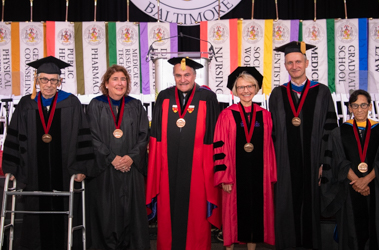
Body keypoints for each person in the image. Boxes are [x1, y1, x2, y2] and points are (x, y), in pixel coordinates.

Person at [2, 56, 94, 249]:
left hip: (65, 172)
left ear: (60, 81)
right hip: (34, 173)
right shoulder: (26, 105)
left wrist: (82, 167)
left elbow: (82, 137)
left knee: (65, 215)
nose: (49, 84)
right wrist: (12, 167)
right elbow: (14, 137)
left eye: (53, 80)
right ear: (37, 80)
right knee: (35, 218)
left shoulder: (72, 103)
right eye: (44, 79)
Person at [146, 57, 221, 250]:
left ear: (195, 75)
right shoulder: (164, 97)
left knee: (196, 214)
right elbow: (155, 138)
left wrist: (211, 170)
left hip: (197, 168)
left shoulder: (207, 98)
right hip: (167, 167)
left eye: (187, 75)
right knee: (168, 214)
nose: (182, 79)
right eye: (178, 75)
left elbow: (214, 137)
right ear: (173, 76)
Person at [269, 41, 338, 250]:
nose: (294, 66)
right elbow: (272, 133)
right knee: (285, 205)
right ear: (285, 66)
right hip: (285, 162)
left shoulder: (322, 92)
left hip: (312, 160)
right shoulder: (277, 94)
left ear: (306, 63)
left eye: (298, 61)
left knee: (310, 205)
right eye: (290, 62)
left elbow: (331, 130)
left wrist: (324, 163)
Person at [321, 90, 379, 250]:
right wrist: (357, 181)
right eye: (355, 106)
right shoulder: (339, 132)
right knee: (351, 233)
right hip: (348, 189)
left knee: (376, 231)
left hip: (376, 189)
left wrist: (365, 180)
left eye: (363, 105)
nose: (359, 109)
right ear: (349, 108)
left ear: (370, 106)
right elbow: (337, 160)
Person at [86, 65, 150, 250]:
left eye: (123, 79)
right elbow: (92, 136)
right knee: (106, 214)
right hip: (105, 170)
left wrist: (131, 157)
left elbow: (143, 135)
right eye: (115, 79)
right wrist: (111, 158)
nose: (119, 83)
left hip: (131, 170)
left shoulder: (135, 105)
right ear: (106, 83)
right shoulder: (96, 105)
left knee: (131, 213)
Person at [213, 67, 277, 250]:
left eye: (250, 86)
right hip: (234, 175)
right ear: (235, 90)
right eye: (241, 87)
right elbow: (219, 146)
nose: (246, 90)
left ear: (256, 88)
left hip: (259, 175)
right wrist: (224, 177)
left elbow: (269, 148)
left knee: (256, 215)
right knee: (232, 215)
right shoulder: (226, 115)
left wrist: (270, 175)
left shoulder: (265, 115)